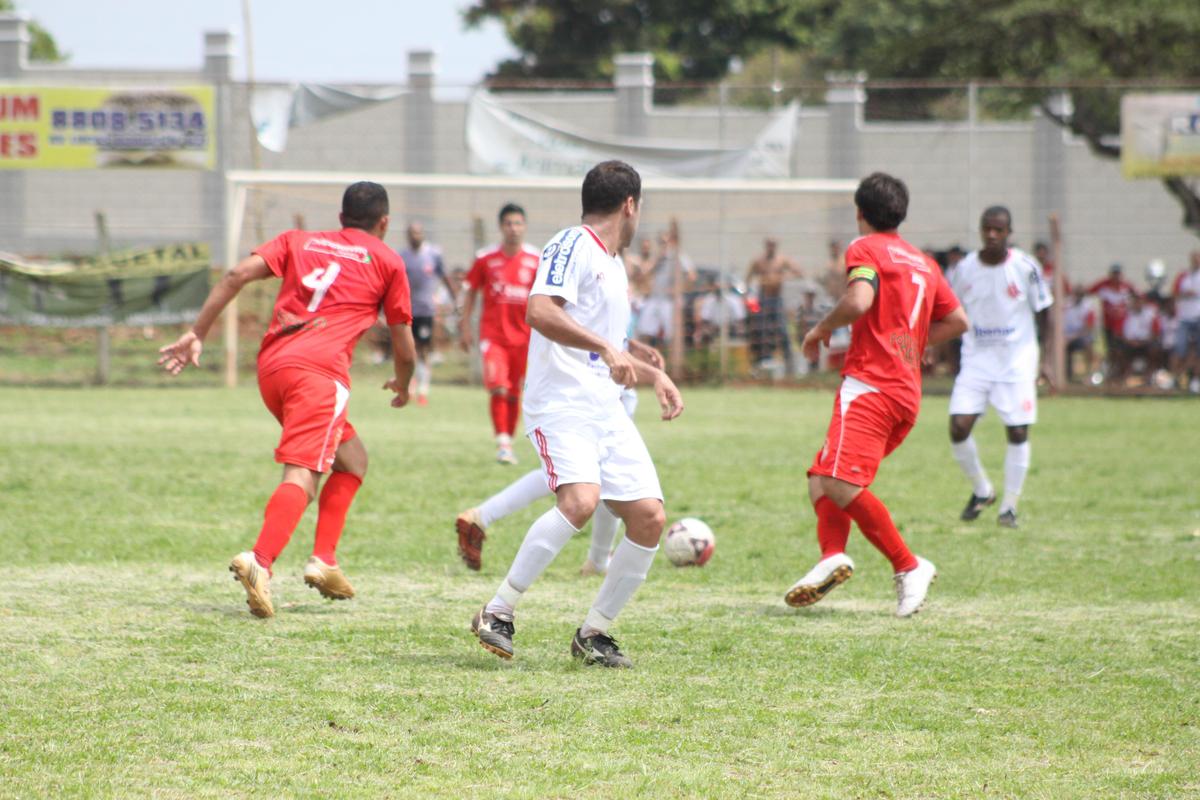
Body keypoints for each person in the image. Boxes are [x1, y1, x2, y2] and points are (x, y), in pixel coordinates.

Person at [157, 181, 415, 618]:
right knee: (303, 475)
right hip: (319, 376)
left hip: (274, 370)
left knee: (353, 460)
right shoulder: (388, 260)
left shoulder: (300, 241)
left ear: (341, 218)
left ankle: (325, 560)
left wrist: (197, 332)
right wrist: (404, 383)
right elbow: (404, 341)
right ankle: (259, 561)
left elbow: (236, 274)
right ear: (384, 222)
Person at [470, 160, 684, 668]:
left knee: (649, 517)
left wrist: (652, 372)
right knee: (581, 500)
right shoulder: (574, 242)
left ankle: (595, 634)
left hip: (605, 408)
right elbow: (540, 311)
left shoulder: (612, 263)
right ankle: (497, 611)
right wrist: (610, 351)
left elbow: (600, 339)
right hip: (561, 404)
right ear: (630, 205)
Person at [783, 172, 967, 618]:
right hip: (905, 392)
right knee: (820, 476)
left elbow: (860, 300)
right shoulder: (924, 262)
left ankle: (908, 566)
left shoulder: (864, 248)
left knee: (842, 483)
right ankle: (831, 555)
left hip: (870, 385)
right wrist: (912, 344)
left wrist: (821, 328)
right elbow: (958, 320)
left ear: (859, 213)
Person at [455, 338, 666, 575]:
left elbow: (601, 323)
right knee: (607, 476)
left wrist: (631, 343)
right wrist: (651, 372)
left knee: (591, 475)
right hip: (595, 384)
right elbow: (579, 321)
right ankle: (596, 562)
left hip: (599, 379)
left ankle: (482, 515)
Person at [947, 206, 1053, 529]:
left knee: (1018, 430)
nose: (992, 235)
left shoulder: (1025, 267)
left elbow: (1043, 311)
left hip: (1016, 361)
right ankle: (982, 490)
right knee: (958, 427)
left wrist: (1044, 359)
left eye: (998, 229)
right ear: (980, 230)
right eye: (986, 229)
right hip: (977, 360)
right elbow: (954, 313)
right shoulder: (964, 269)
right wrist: (951, 360)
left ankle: (1008, 507)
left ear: (1008, 232)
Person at [459, 203, 540, 464]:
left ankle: (509, 441)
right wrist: (464, 327)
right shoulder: (486, 258)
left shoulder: (535, 259)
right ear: (501, 227)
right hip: (493, 336)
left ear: (524, 227)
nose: (513, 229)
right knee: (498, 387)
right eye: (508, 224)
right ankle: (503, 443)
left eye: (518, 224)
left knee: (515, 391)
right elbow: (470, 291)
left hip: (525, 338)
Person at [398, 222, 456, 406]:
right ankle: (410, 385)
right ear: (408, 236)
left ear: (422, 234)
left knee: (423, 350)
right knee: (408, 350)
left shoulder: (433, 254)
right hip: (406, 310)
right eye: (412, 233)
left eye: (418, 232)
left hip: (425, 310)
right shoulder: (402, 256)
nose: (415, 236)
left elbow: (444, 276)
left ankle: (423, 389)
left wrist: (455, 298)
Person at [746, 237, 803, 375]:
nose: (771, 247)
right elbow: (748, 279)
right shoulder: (758, 261)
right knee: (762, 331)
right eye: (769, 245)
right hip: (763, 299)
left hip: (776, 299)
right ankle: (761, 364)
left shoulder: (782, 260)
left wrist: (783, 276)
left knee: (782, 331)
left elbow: (798, 272)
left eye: (773, 245)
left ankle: (790, 367)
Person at [635, 224, 695, 348]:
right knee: (643, 331)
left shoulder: (678, 257)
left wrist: (678, 289)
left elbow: (691, 276)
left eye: (665, 242)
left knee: (671, 335)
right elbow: (644, 275)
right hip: (655, 298)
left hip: (669, 301)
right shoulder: (657, 258)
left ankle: (672, 362)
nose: (663, 245)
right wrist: (657, 259)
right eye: (661, 242)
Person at [1087, 264, 1136, 380]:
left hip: (1123, 327)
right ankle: (1111, 373)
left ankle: (1122, 374)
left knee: (1121, 351)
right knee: (1110, 350)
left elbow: (1138, 295)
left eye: (1118, 274)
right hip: (1108, 325)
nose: (1116, 277)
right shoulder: (1104, 285)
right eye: (1114, 274)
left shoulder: (1126, 287)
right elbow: (1089, 291)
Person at [1171, 250, 1200, 393]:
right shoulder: (1184, 276)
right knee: (1180, 349)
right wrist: (1185, 294)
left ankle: (1195, 380)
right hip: (1184, 317)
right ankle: (1175, 378)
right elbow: (1174, 293)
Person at [1063, 286, 1097, 383]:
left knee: (1088, 346)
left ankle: (1089, 375)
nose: (1077, 296)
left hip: (1081, 336)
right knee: (1057, 346)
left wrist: (1074, 336)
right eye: (1076, 294)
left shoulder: (1088, 306)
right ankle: (1064, 375)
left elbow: (1089, 327)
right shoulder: (1066, 305)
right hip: (1066, 336)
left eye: (1080, 294)